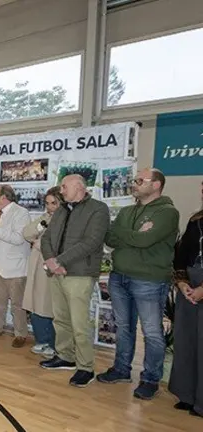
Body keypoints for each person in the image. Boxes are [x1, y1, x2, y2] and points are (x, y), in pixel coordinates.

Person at [96, 168, 180, 400]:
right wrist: (132, 233)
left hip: (149, 280)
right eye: (134, 180)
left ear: (156, 185)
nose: (134, 183)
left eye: (140, 180)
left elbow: (146, 240)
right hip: (119, 276)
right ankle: (122, 369)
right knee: (124, 327)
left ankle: (150, 379)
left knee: (152, 332)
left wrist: (124, 233)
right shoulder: (127, 211)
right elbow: (109, 237)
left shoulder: (168, 212)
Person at [40, 175, 110, 388]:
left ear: (79, 186)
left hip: (79, 273)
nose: (61, 190)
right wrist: (51, 261)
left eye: (64, 186)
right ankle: (65, 356)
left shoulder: (98, 209)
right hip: (57, 272)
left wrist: (59, 261)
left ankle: (85, 367)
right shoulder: (62, 209)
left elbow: (92, 242)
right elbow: (46, 238)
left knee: (79, 323)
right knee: (60, 319)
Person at [0, 184, 31, 347]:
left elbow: (18, 238)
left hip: (14, 266)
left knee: (17, 303)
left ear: (3, 197)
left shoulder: (21, 213)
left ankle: (20, 333)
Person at [169, 180, 203, 418]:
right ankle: (187, 395)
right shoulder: (195, 220)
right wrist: (182, 283)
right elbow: (180, 256)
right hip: (189, 288)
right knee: (186, 342)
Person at [22, 187, 63, 357]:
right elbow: (27, 233)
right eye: (47, 203)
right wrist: (40, 227)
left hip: (52, 267)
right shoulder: (45, 217)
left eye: (54, 203)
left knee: (50, 306)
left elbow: (56, 243)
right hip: (36, 265)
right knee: (35, 304)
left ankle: (54, 344)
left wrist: (39, 243)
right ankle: (42, 340)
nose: (50, 207)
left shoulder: (66, 219)